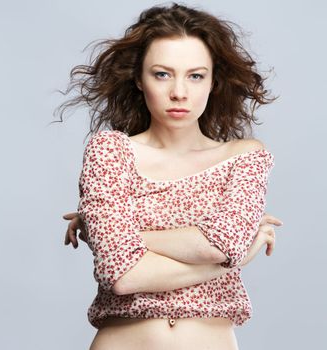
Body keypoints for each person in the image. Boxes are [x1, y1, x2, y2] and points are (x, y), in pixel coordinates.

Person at [54, 3, 284, 349]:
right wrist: (227, 263)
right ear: (138, 78)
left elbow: (221, 244)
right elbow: (122, 277)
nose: (179, 91)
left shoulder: (245, 157)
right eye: (162, 74)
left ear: (213, 82)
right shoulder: (110, 151)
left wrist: (114, 231)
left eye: (195, 75)